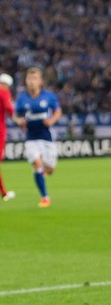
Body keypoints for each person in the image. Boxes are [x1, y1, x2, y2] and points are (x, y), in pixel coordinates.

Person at [14, 67, 61, 208]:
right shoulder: (22, 98)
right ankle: (45, 197)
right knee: (37, 164)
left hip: (46, 138)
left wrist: (51, 121)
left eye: (34, 78)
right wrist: (19, 121)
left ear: (40, 81)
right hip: (31, 138)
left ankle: (43, 172)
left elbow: (58, 111)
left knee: (50, 170)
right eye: (29, 79)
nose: (31, 82)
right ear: (26, 81)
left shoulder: (49, 96)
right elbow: (15, 115)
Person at [0, 72, 16, 202]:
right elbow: (9, 109)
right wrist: (20, 120)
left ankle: (4, 193)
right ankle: (4, 193)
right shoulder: (4, 92)